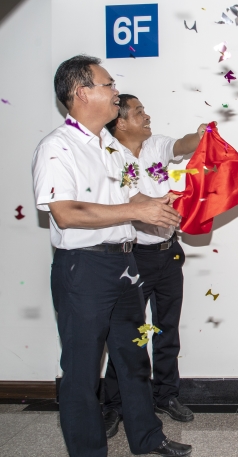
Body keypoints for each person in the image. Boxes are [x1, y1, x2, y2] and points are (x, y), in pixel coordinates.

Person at [32, 55, 192, 457]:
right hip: (84, 268)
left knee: (133, 357)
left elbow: (131, 197)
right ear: (82, 93)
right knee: (82, 371)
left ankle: (147, 438)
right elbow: (66, 213)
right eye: (109, 85)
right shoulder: (57, 147)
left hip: (125, 264)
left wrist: (158, 205)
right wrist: (136, 211)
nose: (116, 92)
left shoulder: (112, 148)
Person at [101, 94, 208, 437]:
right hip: (132, 257)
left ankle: (166, 395)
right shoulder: (107, 157)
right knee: (128, 335)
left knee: (166, 329)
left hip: (168, 253)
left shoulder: (155, 146)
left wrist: (200, 135)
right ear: (120, 121)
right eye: (139, 112)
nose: (147, 116)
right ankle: (113, 405)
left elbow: (183, 144)